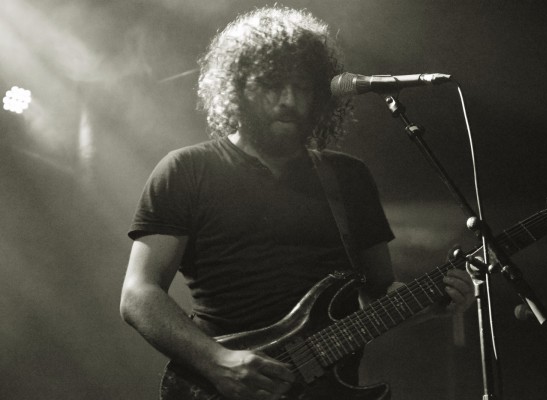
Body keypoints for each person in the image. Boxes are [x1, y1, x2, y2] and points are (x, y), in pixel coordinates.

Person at [119, 6, 474, 400]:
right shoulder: (186, 170)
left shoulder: (348, 177)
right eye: (272, 84)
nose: (288, 100)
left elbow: (376, 294)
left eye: (302, 87)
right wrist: (217, 361)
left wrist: (430, 304)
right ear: (237, 87)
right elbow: (138, 293)